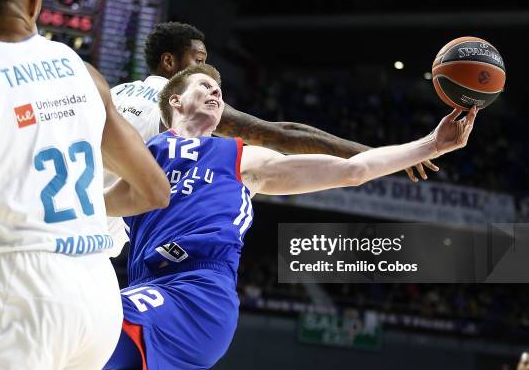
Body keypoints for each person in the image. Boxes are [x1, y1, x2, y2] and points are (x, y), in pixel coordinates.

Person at [94, 64, 478, 370]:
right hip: (148, 291)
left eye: (220, 89)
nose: (216, 92)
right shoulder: (145, 157)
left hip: (197, 296)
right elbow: (90, 206)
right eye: (204, 85)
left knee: (88, 319)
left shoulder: (240, 157)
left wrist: (432, 144)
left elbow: (352, 171)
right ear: (174, 101)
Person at [0, 0, 169, 370]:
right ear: (36, 2)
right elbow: (154, 191)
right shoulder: (85, 75)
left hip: (20, 294)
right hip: (98, 297)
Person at [105, 21, 437, 252]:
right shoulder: (182, 99)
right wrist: (372, 151)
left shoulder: (116, 92)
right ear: (169, 62)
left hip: (81, 213)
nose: (205, 71)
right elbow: (282, 134)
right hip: (104, 233)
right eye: (199, 61)